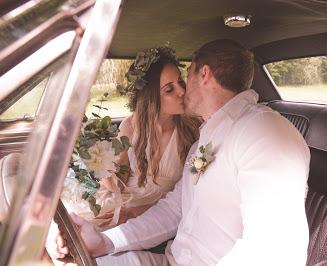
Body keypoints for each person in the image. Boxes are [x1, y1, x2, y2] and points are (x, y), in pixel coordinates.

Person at [48, 39, 310, 265]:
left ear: (204, 74)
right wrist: (106, 242)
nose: (184, 90)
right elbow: (176, 209)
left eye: (188, 75)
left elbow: (273, 251)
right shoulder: (205, 140)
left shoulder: (265, 132)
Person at [61, 47, 200, 229]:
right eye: (169, 89)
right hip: (123, 204)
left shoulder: (192, 129)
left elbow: (190, 193)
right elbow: (117, 185)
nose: (182, 91)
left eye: (180, 82)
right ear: (151, 98)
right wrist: (101, 163)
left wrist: (137, 213)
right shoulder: (131, 127)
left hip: (157, 213)